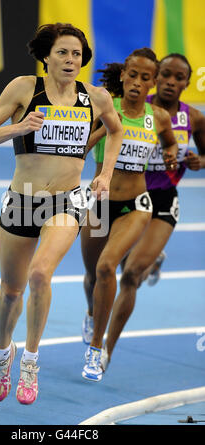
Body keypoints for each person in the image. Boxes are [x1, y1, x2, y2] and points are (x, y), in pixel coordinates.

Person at [0, 22, 123, 405]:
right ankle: (3, 354)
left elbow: (116, 130)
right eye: (62, 53)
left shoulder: (96, 98)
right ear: (46, 57)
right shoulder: (24, 88)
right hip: (22, 200)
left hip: (67, 201)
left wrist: (104, 174)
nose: (70, 60)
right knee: (11, 290)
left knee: (41, 274)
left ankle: (31, 361)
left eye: (76, 54)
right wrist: (18, 127)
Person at [92, 53, 205, 372]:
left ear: (186, 82)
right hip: (126, 198)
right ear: (156, 78)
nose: (171, 81)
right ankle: (149, 257)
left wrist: (199, 161)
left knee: (130, 276)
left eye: (178, 77)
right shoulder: (138, 106)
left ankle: (105, 351)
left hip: (163, 201)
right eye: (165, 75)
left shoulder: (193, 118)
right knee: (108, 267)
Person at [80, 48, 178, 382]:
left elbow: (169, 142)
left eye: (145, 77)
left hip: (136, 205)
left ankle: (97, 350)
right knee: (92, 275)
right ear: (122, 75)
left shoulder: (159, 117)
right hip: (99, 203)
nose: (137, 82)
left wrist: (170, 154)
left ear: (153, 83)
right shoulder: (103, 107)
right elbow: (78, 151)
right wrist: (108, 129)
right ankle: (92, 312)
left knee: (109, 267)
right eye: (132, 75)